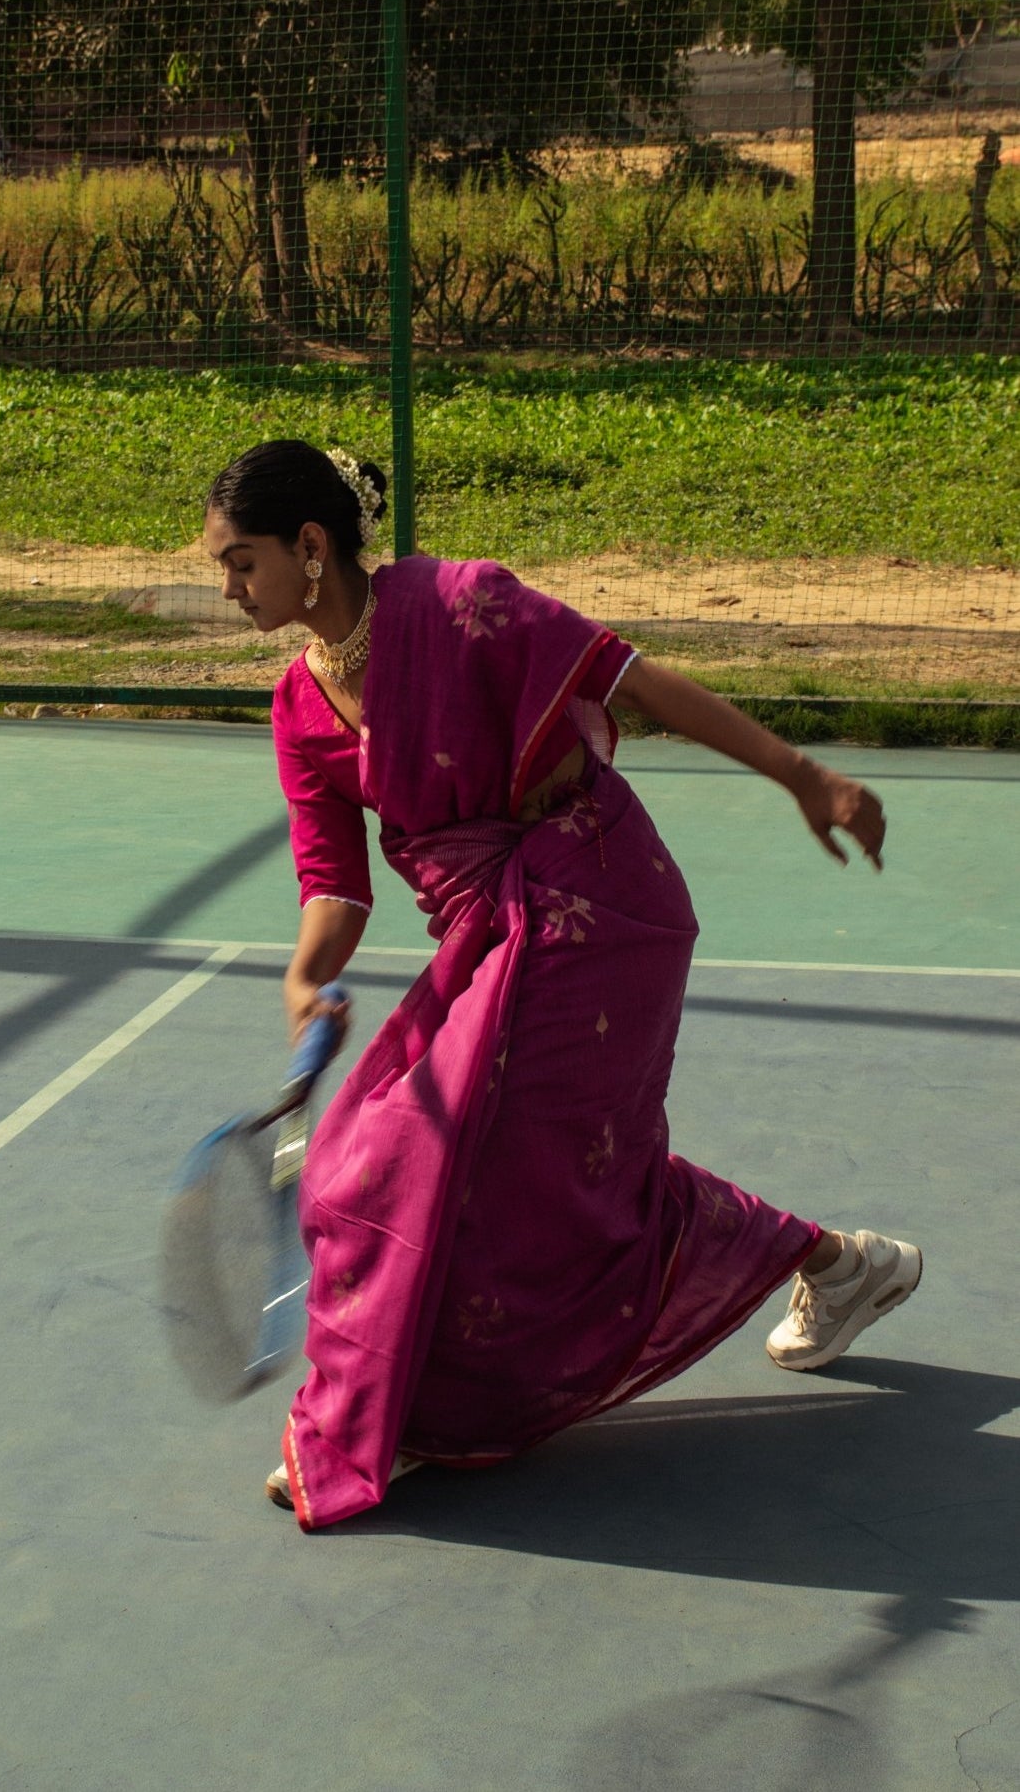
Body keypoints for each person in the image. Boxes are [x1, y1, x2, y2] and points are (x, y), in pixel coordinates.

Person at [203, 440, 922, 1533]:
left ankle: (369, 1425)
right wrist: (307, 975)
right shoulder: (300, 708)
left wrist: (803, 774)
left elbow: (636, 682)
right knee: (550, 1186)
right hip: (487, 938)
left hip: (597, 904)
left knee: (383, 1167)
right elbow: (334, 886)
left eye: (239, 562)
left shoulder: (459, 607)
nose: (227, 589)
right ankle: (839, 1260)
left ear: (310, 548)